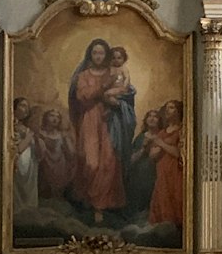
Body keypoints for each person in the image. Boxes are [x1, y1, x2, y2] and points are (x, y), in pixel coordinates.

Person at [68, 38, 125, 223]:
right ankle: (90, 201)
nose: (98, 56)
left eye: (101, 53)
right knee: (91, 162)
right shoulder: (83, 76)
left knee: (108, 162)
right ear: (90, 55)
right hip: (90, 119)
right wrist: (103, 88)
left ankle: (101, 206)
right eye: (95, 53)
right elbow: (82, 97)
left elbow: (124, 92)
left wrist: (116, 101)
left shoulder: (113, 72)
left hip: (109, 121)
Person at [148, 99, 185, 227]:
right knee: (162, 199)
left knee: (176, 198)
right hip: (162, 171)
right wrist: (157, 147)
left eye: (172, 107)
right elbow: (152, 155)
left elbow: (178, 153)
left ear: (178, 111)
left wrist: (161, 144)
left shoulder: (182, 130)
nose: (168, 111)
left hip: (175, 171)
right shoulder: (162, 132)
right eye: (167, 108)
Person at [103, 44, 136, 183]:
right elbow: (105, 85)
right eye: (114, 57)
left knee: (120, 142)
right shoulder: (109, 70)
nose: (117, 60)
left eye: (119, 57)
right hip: (110, 111)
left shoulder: (124, 69)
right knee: (109, 143)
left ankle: (121, 176)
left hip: (121, 99)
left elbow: (126, 86)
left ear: (124, 59)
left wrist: (115, 92)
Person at [126, 108, 162, 217]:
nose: (152, 119)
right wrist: (143, 148)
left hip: (156, 170)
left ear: (159, 120)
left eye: (155, 116)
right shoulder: (141, 137)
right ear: (146, 120)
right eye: (149, 116)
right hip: (139, 173)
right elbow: (131, 159)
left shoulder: (162, 135)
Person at [35, 108, 75, 199]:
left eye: (57, 117)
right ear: (46, 118)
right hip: (46, 164)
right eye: (52, 115)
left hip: (60, 165)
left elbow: (71, 153)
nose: (55, 119)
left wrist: (66, 140)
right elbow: (39, 153)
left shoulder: (62, 134)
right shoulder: (40, 134)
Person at [12, 97, 39, 212]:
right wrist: (27, 139)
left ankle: (29, 207)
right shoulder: (10, 125)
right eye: (22, 105)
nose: (26, 109)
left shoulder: (25, 128)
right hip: (18, 159)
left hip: (29, 163)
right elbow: (15, 147)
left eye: (27, 106)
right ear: (14, 108)